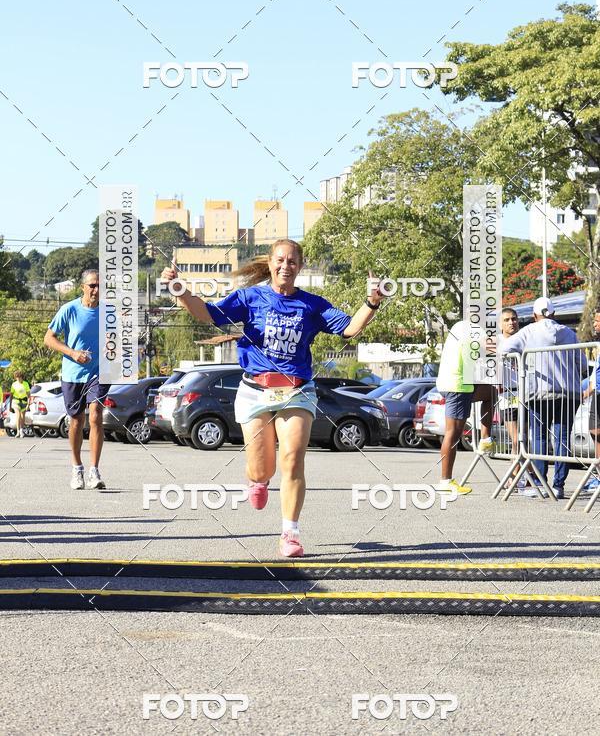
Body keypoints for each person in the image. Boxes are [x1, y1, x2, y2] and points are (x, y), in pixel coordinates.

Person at [161, 239, 382, 558]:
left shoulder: (312, 305)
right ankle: (258, 480)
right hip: (255, 390)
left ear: (300, 266)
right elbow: (207, 314)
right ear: (270, 263)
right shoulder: (250, 298)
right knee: (261, 468)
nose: (285, 266)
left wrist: (372, 302)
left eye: (292, 261)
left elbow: (349, 329)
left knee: (292, 459)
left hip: (296, 391)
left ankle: (290, 532)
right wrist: (180, 291)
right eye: (280, 260)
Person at [501, 297, 586, 499]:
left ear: (534, 315)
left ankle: (540, 483)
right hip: (568, 393)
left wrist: (519, 359)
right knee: (562, 439)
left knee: (538, 437)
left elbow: (503, 349)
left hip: (539, 392)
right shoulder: (569, 333)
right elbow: (582, 364)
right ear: (554, 314)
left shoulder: (528, 332)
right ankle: (559, 485)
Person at [44, 269, 109, 490]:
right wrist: (72, 353)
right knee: (76, 421)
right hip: (73, 373)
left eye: (100, 285)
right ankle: (77, 467)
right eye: (92, 285)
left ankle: (94, 471)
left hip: (99, 372)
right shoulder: (69, 310)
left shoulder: (109, 312)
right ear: (83, 287)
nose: (96, 290)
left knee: (96, 415)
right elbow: (48, 339)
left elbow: (119, 340)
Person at [436, 321, 496, 496]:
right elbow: (490, 349)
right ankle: (445, 481)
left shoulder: (460, 326)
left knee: (490, 393)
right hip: (458, 384)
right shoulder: (474, 328)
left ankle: (485, 438)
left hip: (455, 382)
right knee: (453, 434)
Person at [497, 308, 521, 486]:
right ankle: (515, 476)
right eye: (506, 320)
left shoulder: (524, 339)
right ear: (500, 324)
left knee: (523, 439)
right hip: (506, 395)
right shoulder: (495, 342)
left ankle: (519, 476)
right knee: (516, 439)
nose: (511, 322)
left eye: (513, 319)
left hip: (525, 393)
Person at [581, 308, 600, 493]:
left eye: (598, 321)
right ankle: (599, 474)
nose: (595, 324)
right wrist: (586, 392)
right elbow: (596, 373)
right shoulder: (597, 345)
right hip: (596, 392)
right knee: (594, 431)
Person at [10, 371, 31, 438]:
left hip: (24, 401)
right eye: (17, 377)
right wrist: (10, 406)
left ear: (22, 377)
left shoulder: (26, 384)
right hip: (16, 401)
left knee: (22, 416)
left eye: (19, 377)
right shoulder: (14, 384)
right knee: (18, 415)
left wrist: (28, 404)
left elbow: (28, 395)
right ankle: (18, 431)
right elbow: (11, 395)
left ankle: (21, 430)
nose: (18, 379)